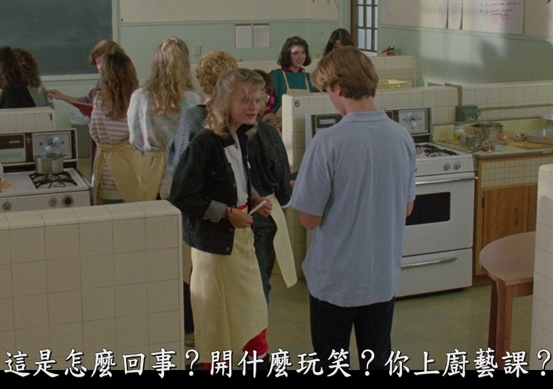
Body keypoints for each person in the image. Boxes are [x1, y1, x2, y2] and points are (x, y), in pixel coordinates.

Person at [290, 46, 417, 371]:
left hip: (336, 280)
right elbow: (406, 208)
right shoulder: (401, 137)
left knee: (332, 363)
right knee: (378, 359)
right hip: (381, 277)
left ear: (337, 87)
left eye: (327, 91)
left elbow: (308, 219)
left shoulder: (327, 142)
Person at [169, 68, 273, 367]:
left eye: (257, 100)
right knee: (215, 317)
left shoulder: (242, 135)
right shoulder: (204, 143)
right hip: (214, 247)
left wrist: (253, 199)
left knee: (252, 307)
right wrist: (227, 214)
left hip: (239, 239)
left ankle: (257, 357)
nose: (254, 107)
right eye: (245, 100)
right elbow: (182, 196)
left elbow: (234, 180)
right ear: (225, 101)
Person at [165, 48, 239, 349]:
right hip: (231, 209)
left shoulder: (195, 118)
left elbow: (178, 163)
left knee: (196, 273)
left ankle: (198, 334)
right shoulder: (234, 119)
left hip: (200, 209)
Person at [127, 36, 200, 201]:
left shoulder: (140, 96)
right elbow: (196, 140)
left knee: (153, 216)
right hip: (183, 172)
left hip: (152, 170)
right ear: (186, 65)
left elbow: (134, 139)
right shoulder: (193, 99)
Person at [247, 70, 295, 304]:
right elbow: (282, 178)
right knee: (261, 279)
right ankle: (259, 322)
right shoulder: (268, 134)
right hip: (266, 212)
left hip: (235, 215)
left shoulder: (221, 133)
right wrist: (283, 208)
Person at [89, 45, 141, 204]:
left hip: (104, 170)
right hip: (130, 166)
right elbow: (140, 135)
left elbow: (93, 130)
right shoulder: (137, 98)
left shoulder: (98, 99)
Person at [48, 39, 119, 113]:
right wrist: (62, 96)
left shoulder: (123, 83)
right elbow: (85, 102)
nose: (100, 67)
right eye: (98, 63)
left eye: (104, 62)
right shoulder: (101, 81)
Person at [269, 36, 316, 118]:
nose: (300, 57)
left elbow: (316, 104)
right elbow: (267, 106)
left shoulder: (309, 78)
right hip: (280, 123)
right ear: (287, 55)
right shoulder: (276, 76)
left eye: (303, 52)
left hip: (303, 122)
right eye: (295, 53)